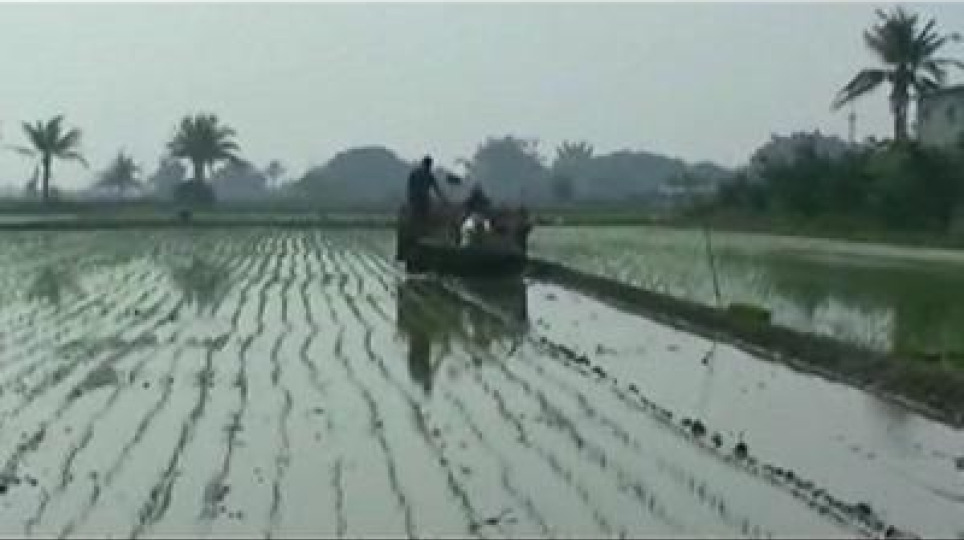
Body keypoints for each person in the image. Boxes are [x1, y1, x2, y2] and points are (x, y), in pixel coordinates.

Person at [407, 155, 446, 224]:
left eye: (429, 166)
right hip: (415, 198)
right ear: (423, 164)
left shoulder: (430, 176)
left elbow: (436, 189)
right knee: (414, 214)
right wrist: (411, 196)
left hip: (425, 198)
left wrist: (443, 199)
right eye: (427, 165)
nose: (428, 167)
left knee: (429, 212)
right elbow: (410, 186)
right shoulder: (415, 174)